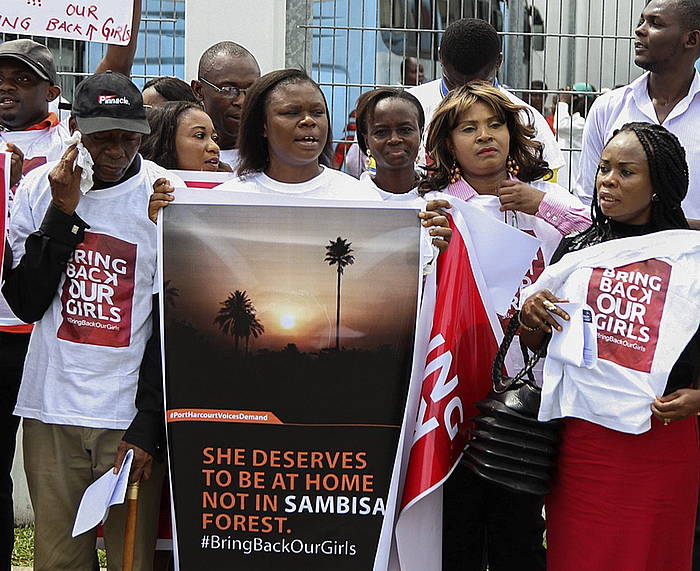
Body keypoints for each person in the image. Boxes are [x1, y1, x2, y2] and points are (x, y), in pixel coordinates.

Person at [2, 71, 173, 571]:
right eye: (102, 139)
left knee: (129, 560)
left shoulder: (166, 194)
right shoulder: (40, 187)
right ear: (76, 128)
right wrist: (62, 211)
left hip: (125, 417)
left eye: (128, 137)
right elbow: (26, 301)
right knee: (58, 561)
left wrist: (146, 426)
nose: (116, 151)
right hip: (52, 407)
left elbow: (169, 324)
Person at [417, 81, 590, 571]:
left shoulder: (548, 200)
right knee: (459, 526)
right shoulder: (436, 207)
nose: (485, 136)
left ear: (514, 135)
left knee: (519, 530)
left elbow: (599, 238)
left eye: (495, 125)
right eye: (468, 128)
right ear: (448, 145)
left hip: (530, 392)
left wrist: (540, 205)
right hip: (455, 385)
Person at [520, 122, 700, 571]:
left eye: (626, 172)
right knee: (580, 554)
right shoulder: (577, 249)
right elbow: (538, 345)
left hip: (661, 438)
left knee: (653, 556)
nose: (608, 181)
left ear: (660, 184)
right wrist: (531, 319)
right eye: (603, 169)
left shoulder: (691, 257)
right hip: (584, 441)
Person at [574, 0, 700, 227]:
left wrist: (667, 230)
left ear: (691, 39)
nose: (639, 30)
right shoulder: (608, 107)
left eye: (655, 23)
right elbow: (586, 200)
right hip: (617, 256)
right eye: (642, 20)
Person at [407, 18, 565, 174]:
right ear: (440, 56)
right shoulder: (408, 109)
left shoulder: (528, 121)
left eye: (478, 87)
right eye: (455, 85)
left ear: (499, 61)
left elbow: (550, 191)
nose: (466, 96)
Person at [354, 87, 452, 252]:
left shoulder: (443, 200)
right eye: (381, 132)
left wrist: (448, 248)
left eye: (405, 130)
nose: (394, 139)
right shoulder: (351, 200)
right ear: (366, 140)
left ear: (421, 134)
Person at [191, 41, 261, 170]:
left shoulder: (272, 158)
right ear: (199, 90)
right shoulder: (181, 156)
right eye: (228, 89)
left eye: (251, 89)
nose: (242, 101)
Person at [140, 101, 225, 171]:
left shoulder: (232, 187)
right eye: (199, 135)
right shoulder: (142, 189)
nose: (215, 147)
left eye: (215, 138)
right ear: (166, 141)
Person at [554, 82, 597, 190]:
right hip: (568, 178)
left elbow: (559, 125)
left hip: (575, 180)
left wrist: (563, 102)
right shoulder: (576, 119)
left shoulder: (583, 123)